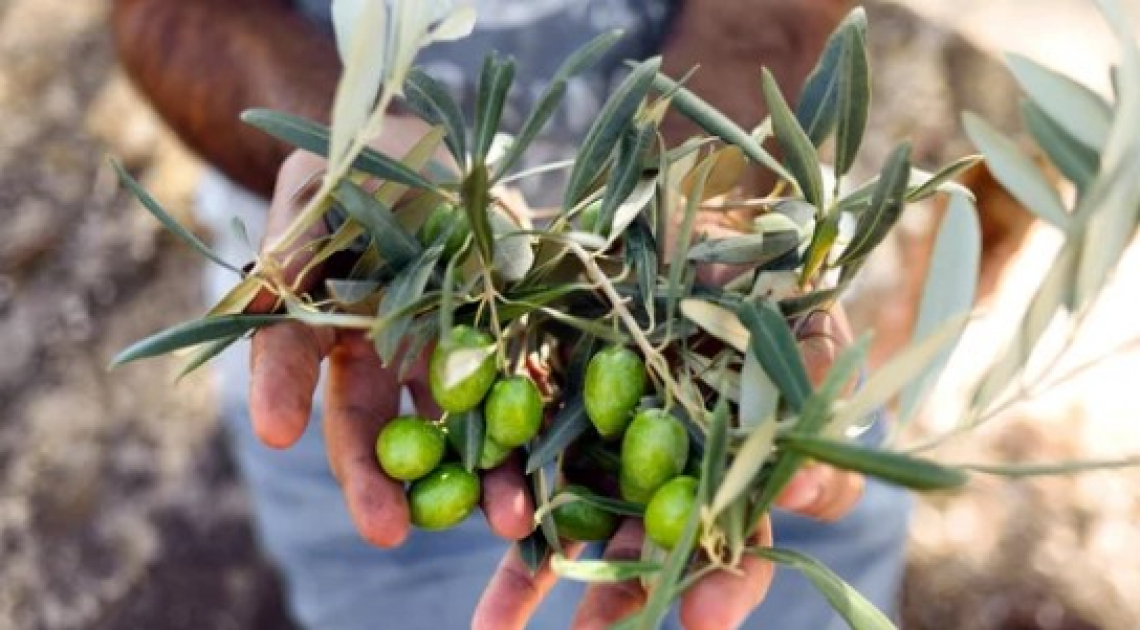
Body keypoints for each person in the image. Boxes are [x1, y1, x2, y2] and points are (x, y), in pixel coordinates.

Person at [110, 1, 911, 629]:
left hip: (730, 360)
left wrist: (706, 185)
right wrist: (361, 159)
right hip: (366, 355)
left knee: (776, 535)